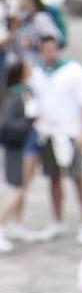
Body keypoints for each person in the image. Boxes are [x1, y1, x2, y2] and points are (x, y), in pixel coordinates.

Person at [29, 34, 82, 241]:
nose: (49, 53)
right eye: (45, 49)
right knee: (53, 179)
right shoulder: (36, 72)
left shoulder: (73, 71)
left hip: (70, 132)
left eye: (52, 49)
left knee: (78, 177)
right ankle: (57, 220)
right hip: (48, 132)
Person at [0, 58, 36, 249]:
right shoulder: (14, 97)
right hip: (17, 147)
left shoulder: (26, 93)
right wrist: (29, 122)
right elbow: (7, 125)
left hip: (28, 146)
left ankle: (17, 224)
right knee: (17, 188)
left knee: (24, 187)